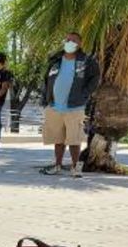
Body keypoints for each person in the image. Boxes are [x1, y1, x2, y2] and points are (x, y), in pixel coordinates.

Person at [39, 32, 100, 177]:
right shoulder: (56, 60)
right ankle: (57, 165)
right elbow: (46, 80)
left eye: (73, 40)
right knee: (58, 139)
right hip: (54, 107)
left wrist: (84, 94)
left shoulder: (86, 61)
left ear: (79, 44)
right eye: (67, 40)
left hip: (75, 107)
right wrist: (46, 98)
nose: (69, 42)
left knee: (74, 139)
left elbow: (95, 79)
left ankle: (75, 168)